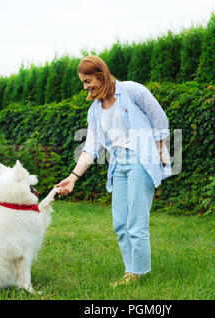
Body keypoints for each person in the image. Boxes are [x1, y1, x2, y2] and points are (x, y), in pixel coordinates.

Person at [55, 55, 171, 286]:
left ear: (101, 75)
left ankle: (136, 275)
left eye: (88, 81)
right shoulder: (95, 110)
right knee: (120, 223)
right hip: (118, 162)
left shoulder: (131, 91)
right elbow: (90, 148)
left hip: (140, 159)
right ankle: (131, 271)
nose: (85, 87)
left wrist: (160, 149)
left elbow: (159, 118)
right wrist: (73, 177)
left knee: (136, 222)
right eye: (83, 82)